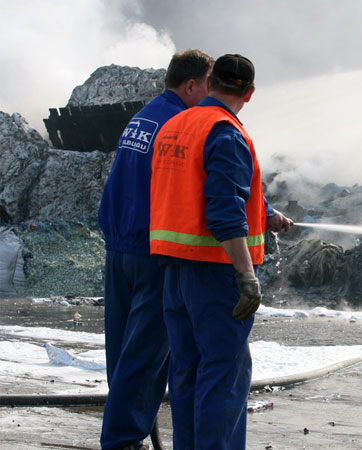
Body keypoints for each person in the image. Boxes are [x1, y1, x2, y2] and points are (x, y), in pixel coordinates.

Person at [149, 53, 291, 449]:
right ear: (249, 93)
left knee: (187, 372)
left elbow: (190, 192)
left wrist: (265, 214)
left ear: (210, 83)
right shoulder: (226, 132)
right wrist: (246, 276)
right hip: (216, 272)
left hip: (174, 273)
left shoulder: (174, 126)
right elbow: (225, 213)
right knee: (223, 375)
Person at [97, 49, 215, 450]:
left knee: (123, 352)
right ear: (190, 85)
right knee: (147, 357)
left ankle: (127, 434)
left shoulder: (143, 118)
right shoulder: (180, 124)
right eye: (208, 86)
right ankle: (123, 441)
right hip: (152, 252)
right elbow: (201, 182)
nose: (212, 96)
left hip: (120, 250)